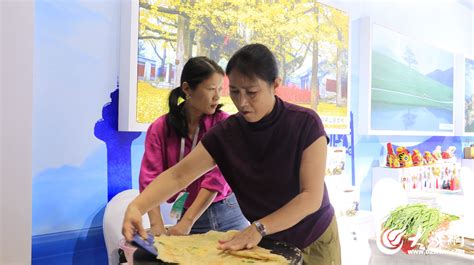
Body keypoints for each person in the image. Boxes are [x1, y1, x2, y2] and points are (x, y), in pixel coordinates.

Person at [124, 44, 341, 264]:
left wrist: (259, 227)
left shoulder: (305, 123)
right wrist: (137, 206)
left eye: (252, 92)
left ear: (275, 84)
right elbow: (178, 176)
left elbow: (310, 198)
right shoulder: (226, 133)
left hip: (314, 237)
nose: (242, 101)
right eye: (235, 91)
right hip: (265, 241)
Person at [139, 56, 248, 236]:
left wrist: (187, 222)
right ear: (187, 89)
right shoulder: (160, 128)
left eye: (220, 89)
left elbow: (216, 179)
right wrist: (156, 223)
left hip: (227, 213)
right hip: (186, 211)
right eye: (211, 89)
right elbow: (149, 179)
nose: (217, 96)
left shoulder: (225, 125)